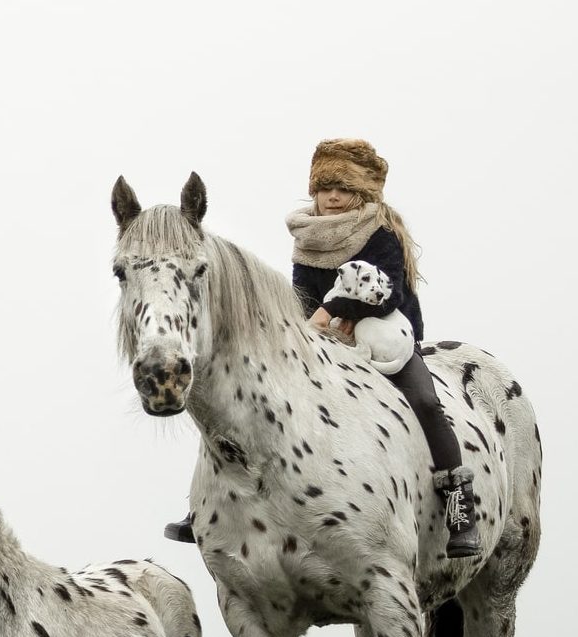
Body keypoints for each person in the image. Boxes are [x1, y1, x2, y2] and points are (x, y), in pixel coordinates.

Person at [166, 139, 480, 558]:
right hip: (325, 341)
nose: (333, 197)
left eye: (344, 188)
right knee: (244, 397)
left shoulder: (381, 233)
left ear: (363, 193)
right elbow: (302, 297)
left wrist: (334, 309)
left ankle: (459, 503)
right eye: (326, 187)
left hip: (386, 338)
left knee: (424, 400)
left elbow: (389, 291)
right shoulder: (308, 237)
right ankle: (206, 505)